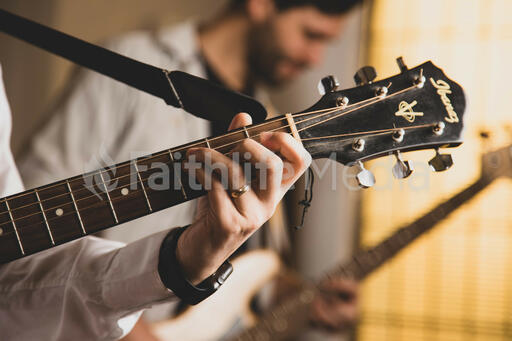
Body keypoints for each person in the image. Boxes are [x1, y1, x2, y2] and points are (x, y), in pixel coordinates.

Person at [18, 0, 361, 335]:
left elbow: (240, 265)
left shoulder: (268, 118)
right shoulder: (131, 63)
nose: (314, 58)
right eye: (310, 34)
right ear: (260, 4)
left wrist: (298, 298)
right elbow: (28, 221)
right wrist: (130, 322)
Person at [0, 63, 311, 340]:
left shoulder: (263, 104)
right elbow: (35, 213)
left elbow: (14, 278)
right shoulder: (134, 55)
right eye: (311, 34)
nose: (313, 57)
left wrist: (181, 260)